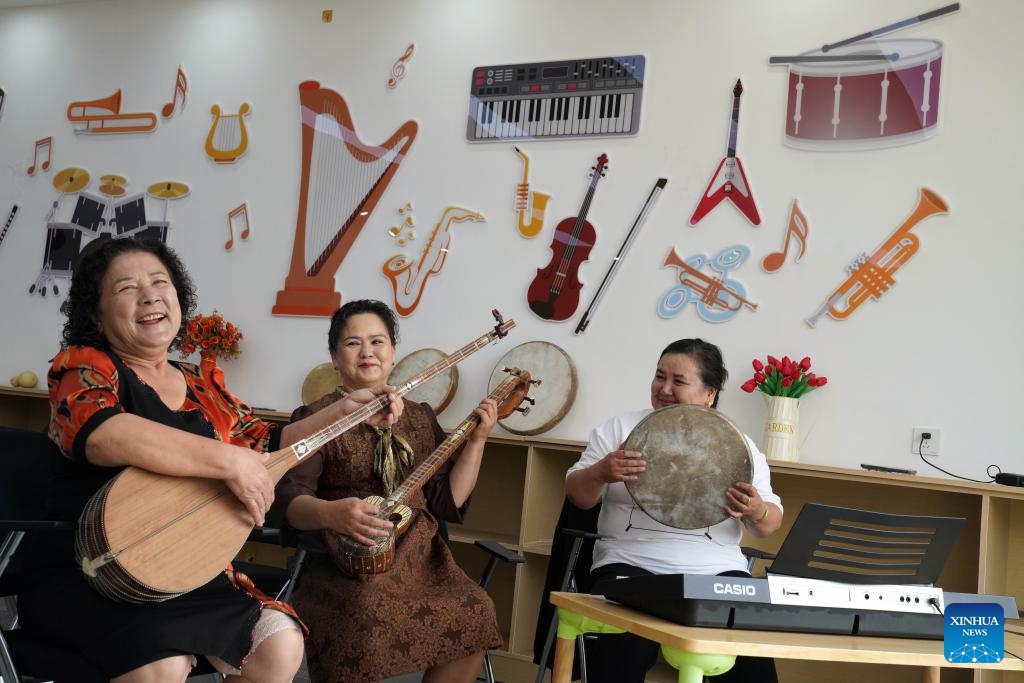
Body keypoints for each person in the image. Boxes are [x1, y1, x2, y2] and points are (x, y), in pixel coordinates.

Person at [16, 237, 401, 683]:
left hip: (182, 568)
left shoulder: (200, 383)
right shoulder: (84, 367)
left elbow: (266, 445)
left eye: (161, 282)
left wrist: (345, 410)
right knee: (162, 663)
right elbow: (103, 434)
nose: (150, 295)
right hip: (88, 571)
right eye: (126, 288)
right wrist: (228, 462)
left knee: (280, 643)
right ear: (95, 313)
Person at [273, 299, 503, 683]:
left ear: (393, 352)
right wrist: (332, 514)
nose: (367, 352)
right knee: (366, 612)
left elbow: (448, 500)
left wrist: (477, 441)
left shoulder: (421, 415)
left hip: (421, 560)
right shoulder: (315, 417)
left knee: (476, 608)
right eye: (352, 343)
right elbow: (290, 502)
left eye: (378, 341)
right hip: (344, 563)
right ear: (334, 356)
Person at [565, 338, 782, 683]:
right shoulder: (619, 430)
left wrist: (756, 510)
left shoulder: (739, 444)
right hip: (630, 566)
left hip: (717, 573)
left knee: (751, 660)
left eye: (678, 381)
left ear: (710, 393)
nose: (664, 389)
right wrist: (600, 472)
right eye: (659, 376)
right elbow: (579, 497)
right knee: (624, 651)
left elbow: (768, 525)